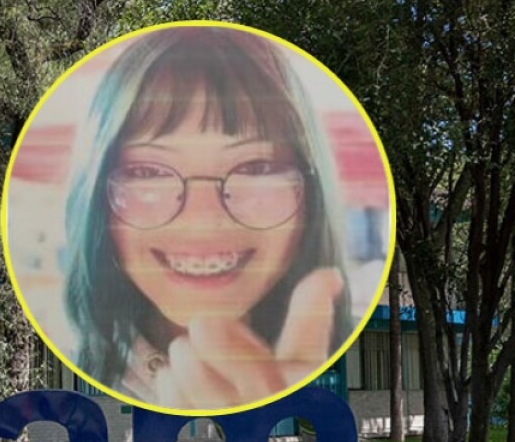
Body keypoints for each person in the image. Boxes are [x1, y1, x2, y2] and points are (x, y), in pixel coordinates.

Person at [60, 26, 352, 410]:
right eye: (149, 173)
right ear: (97, 196)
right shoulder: (84, 366)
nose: (201, 222)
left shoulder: (326, 347)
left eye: (255, 167)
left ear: (312, 195)